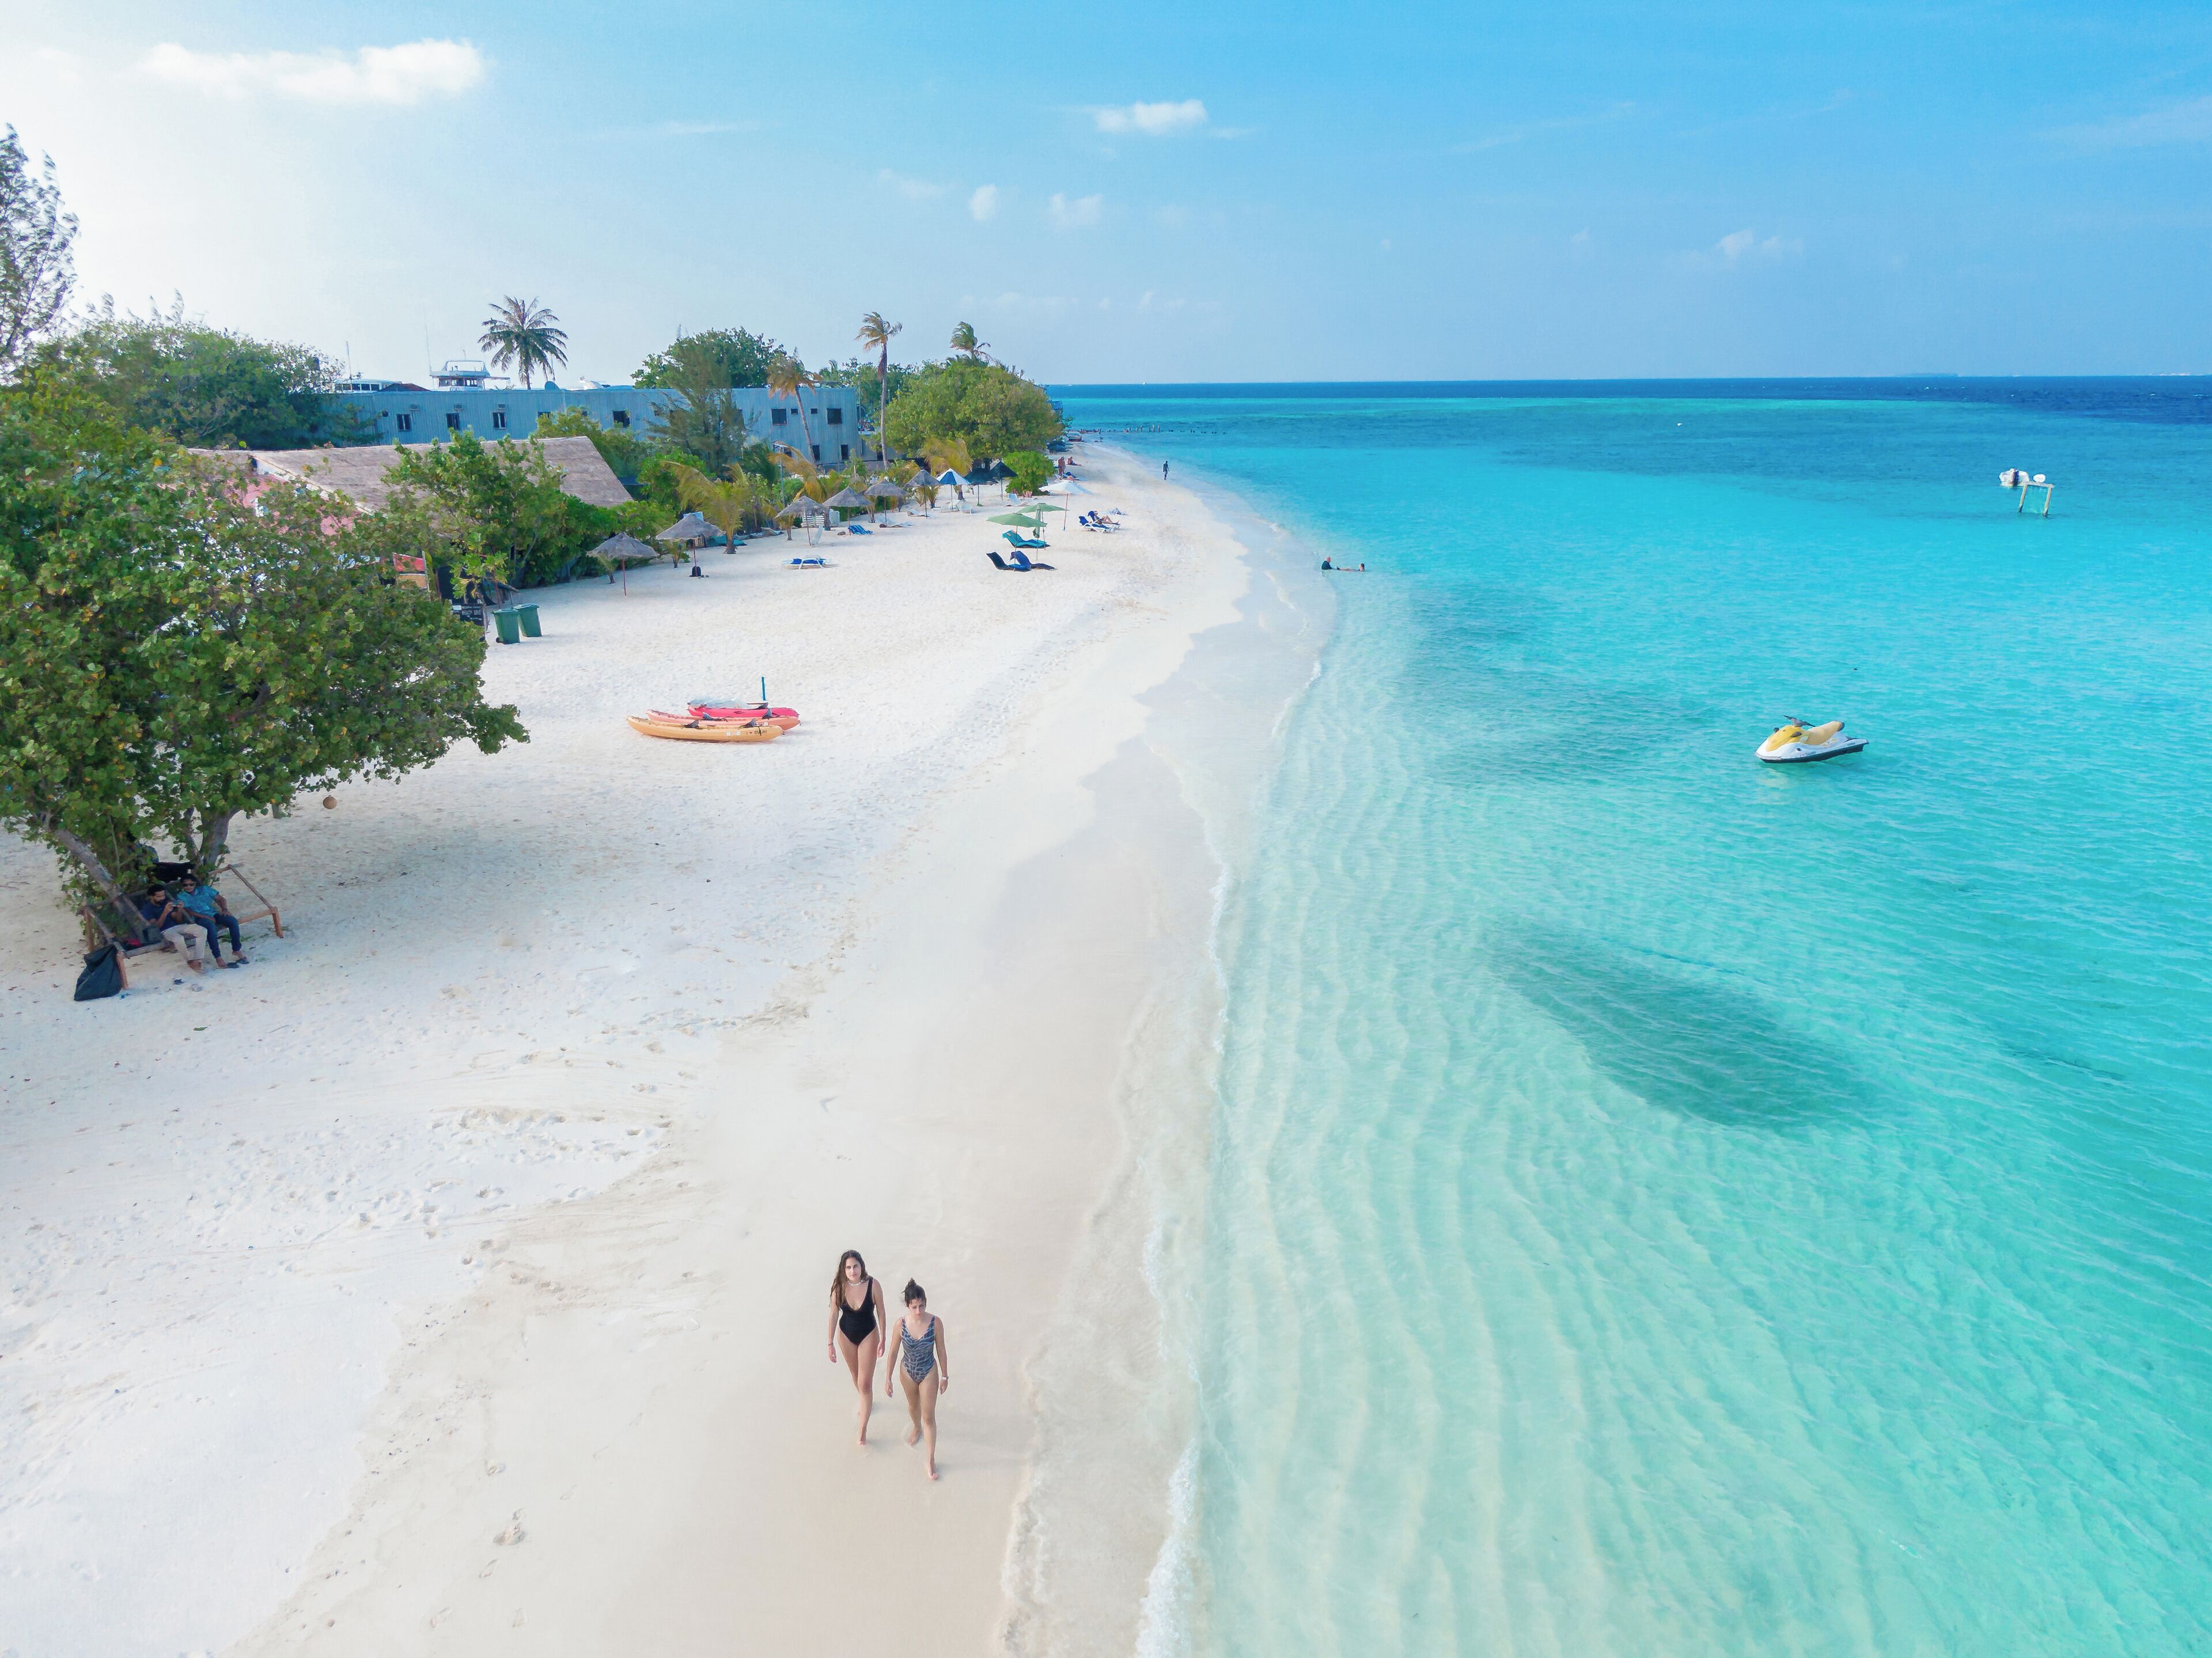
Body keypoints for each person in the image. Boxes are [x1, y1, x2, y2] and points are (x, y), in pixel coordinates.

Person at [885, 1279, 950, 1480]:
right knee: (914, 1408)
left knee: (929, 1416)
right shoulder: (901, 1324)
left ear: (925, 1303)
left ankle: (930, 1459)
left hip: (929, 1371)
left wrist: (945, 1375)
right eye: (914, 1307)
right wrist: (888, 1379)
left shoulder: (935, 1323)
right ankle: (916, 1428)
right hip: (908, 1372)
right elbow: (893, 1351)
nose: (919, 1311)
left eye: (922, 1306)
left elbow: (941, 1350)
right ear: (908, 1306)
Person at [827, 1250, 887, 1445]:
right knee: (855, 1375)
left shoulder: (873, 1285)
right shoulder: (839, 1288)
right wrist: (830, 1344)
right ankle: (866, 1401)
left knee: (865, 1383)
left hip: (868, 1334)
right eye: (849, 1268)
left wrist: (884, 1338)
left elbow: (882, 1312)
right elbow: (834, 1314)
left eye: (856, 1266)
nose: (853, 1271)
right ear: (844, 1270)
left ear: (862, 1266)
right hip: (845, 1336)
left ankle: (863, 1429)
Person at [175, 876, 248, 967]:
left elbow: (221, 899)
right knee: (210, 927)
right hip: (199, 917)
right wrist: (206, 917)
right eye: (185, 885)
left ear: (195, 884)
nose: (188, 887)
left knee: (233, 921)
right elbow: (191, 912)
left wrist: (224, 909)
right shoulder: (181, 896)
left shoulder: (205, 889)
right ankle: (218, 957)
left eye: (191, 884)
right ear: (183, 886)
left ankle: (237, 949)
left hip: (213, 913)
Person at [134, 885, 211, 972]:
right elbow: (156, 927)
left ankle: (197, 960)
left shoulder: (166, 902)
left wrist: (179, 910)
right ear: (152, 897)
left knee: (202, 930)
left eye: (163, 895)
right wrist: (165, 912)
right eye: (159, 896)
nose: (162, 898)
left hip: (177, 926)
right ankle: (189, 961)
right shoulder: (148, 909)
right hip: (165, 931)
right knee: (179, 939)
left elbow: (178, 921)